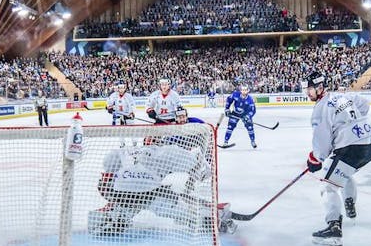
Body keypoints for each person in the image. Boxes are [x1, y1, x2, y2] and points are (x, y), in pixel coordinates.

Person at [88, 123, 235, 236]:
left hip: (118, 192)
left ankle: (112, 216)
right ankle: (210, 220)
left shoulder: (126, 150)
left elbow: (108, 165)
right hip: (148, 193)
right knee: (180, 211)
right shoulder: (167, 151)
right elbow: (202, 171)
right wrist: (201, 169)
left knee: (127, 206)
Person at [304, 71, 371, 246]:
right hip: (369, 145)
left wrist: (315, 159)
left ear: (319, 88)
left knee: (328, 186)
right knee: (342, 173)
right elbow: (364, 105)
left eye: (310, 89)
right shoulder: (343, 96)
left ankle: (334, 228)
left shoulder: (320, 108)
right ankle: (349, 202)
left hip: (351, 148)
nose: (307, 93)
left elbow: (322, 141)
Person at [223, 84, 257, 148]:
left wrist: (247, 117)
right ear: (240, 90)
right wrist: (227, 109)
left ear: (248, 91)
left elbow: (253, 111)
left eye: (245, 90)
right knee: (230, 127)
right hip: (235, 113)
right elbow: (229, 100)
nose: (244, 91)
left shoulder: (250, 100)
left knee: (250, 128)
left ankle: (253, 141)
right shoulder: (235, 94)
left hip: (245, 114)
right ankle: (225, 142)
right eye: (243, 90)